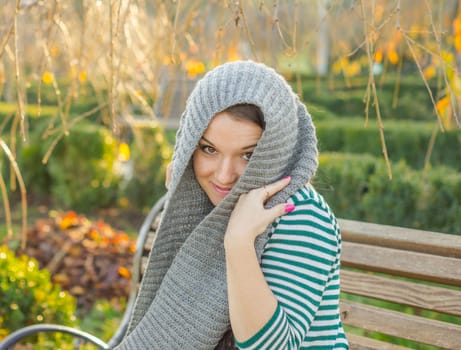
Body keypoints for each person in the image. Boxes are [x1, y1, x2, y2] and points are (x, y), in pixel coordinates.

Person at [115, 60, 349, 349]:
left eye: (248, 155)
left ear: (276, 149)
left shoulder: (304, 219)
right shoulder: (203, 202)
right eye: (208, 149)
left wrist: (239, 243)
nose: (224, 176)